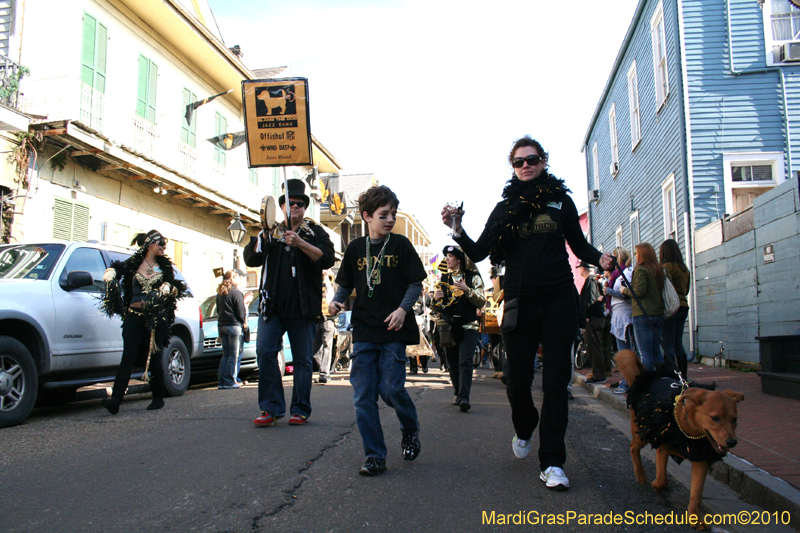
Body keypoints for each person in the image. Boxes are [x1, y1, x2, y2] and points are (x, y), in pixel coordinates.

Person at [442, 136, 613, 489]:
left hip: (558, 300)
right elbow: (480, 251)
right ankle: (524, 426)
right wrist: (456, 230)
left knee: (555, 383)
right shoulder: (505, 209)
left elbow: (578, 245)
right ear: (513, 167)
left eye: (532, 159)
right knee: (516, 382)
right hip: (519, 301)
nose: (526, 166)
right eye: (519, 162)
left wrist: (601, 259)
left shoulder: (560, 201)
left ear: (543, 161)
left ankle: (552, 462)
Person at [329, 185, 427, 476]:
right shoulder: (356, 249)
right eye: (384, 214)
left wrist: (402, 309)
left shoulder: (400, 245)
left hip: (394, 328)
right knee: (363, 396)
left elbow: (415, 283)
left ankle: (410, 428)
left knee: (391, 388)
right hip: (365, 329)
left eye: (393, 214)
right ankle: (375, 456)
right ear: (367, 216)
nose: (390, 219)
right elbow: (346, 283)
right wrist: (336, 300)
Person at [243, 178, 335, 427]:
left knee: (303, 359)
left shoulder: (315, 232)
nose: (294, 207)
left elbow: (327, 258)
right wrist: (262, 235)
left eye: (299, 204)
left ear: (305, 208)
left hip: (303, 310)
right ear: (281, 206)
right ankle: (270, 408)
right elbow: (251, 258)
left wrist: (301, 243)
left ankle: (300, 408)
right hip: (272, 307)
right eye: (289, 203)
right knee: (265, 352)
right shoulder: (271, 231)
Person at [100, 230, 187, 414]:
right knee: (128, 357)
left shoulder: (165, 267)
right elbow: (120, 269)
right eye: (160, 243)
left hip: (157, 317)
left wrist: (169, 288)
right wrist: (111, 272)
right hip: (134, 315)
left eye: (165, 243)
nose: (164, 246)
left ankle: (157, 397)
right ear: (149, 244)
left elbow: (177, 288)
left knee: (155, 356)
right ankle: (115, 401)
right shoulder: (134, 263)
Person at [433, 245, 485, 412]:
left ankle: (464, 397)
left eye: (450, 256)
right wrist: (436, 300)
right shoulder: (444, 279)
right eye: (446, 256)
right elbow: (438, 307)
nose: (447, 259)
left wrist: (466, 290)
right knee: (453, 363)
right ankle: (457, 393)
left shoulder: (473, 277)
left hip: (469, 326)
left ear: (459, 260)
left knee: (465, 361)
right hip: (449, 328)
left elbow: (481, 301)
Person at [622, 243, 665, 372]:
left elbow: (639, 292)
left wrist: (625, 290)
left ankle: (647, 384)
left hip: (643, 314)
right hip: (658, 313)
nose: (634, 256)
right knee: (656, 351)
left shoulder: (641, 269)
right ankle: (660, 378)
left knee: (645, 353)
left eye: (636, 253)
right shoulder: (658, 269)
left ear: (642, 254)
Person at [604, 247, 635, 394]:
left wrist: (609, 292)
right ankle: (625, 381)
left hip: (625, 317)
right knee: (623, 351)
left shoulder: (626, 273)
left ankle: (628, 383)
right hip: (618, 315)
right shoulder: (616, 275)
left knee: (626, 352)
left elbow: (627, 294)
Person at [659, 239, 691, 378]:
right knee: (678, 343)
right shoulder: (685, 269)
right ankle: (683, 374)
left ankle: (671, 374)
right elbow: (687, 290)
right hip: (683, 306)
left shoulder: (667, 267)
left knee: (668, 343)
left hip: (671, 308)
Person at [216, 269, 247, 389]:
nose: (239, 279)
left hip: (222, 325)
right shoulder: (237, 293)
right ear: (233, 279)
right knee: (233, 355)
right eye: (238, 276)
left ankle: (222, 381)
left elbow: (218, 310)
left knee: (226, 354)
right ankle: (229, 380)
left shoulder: (220, 293)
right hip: (234, 326)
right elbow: (240, 312)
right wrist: (243, 321)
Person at [579, 262, 607, 384]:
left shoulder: (591, 280)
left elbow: (590, 301)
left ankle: (599, 375)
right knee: (595, 347)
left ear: (583, 268)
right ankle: (597, 373)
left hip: (593, 319)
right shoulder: (596, 280)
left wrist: (587, 317)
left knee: (594, 347)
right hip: (598, 317)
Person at [313, 269, 337, 384]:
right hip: (316, 318)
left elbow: (333, 296)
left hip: (328, 318)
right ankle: (323, 369)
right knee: (315, 349)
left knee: (327, 345)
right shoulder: (314, 280)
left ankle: (324, 373)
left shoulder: (331, 282)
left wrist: (327, 279)